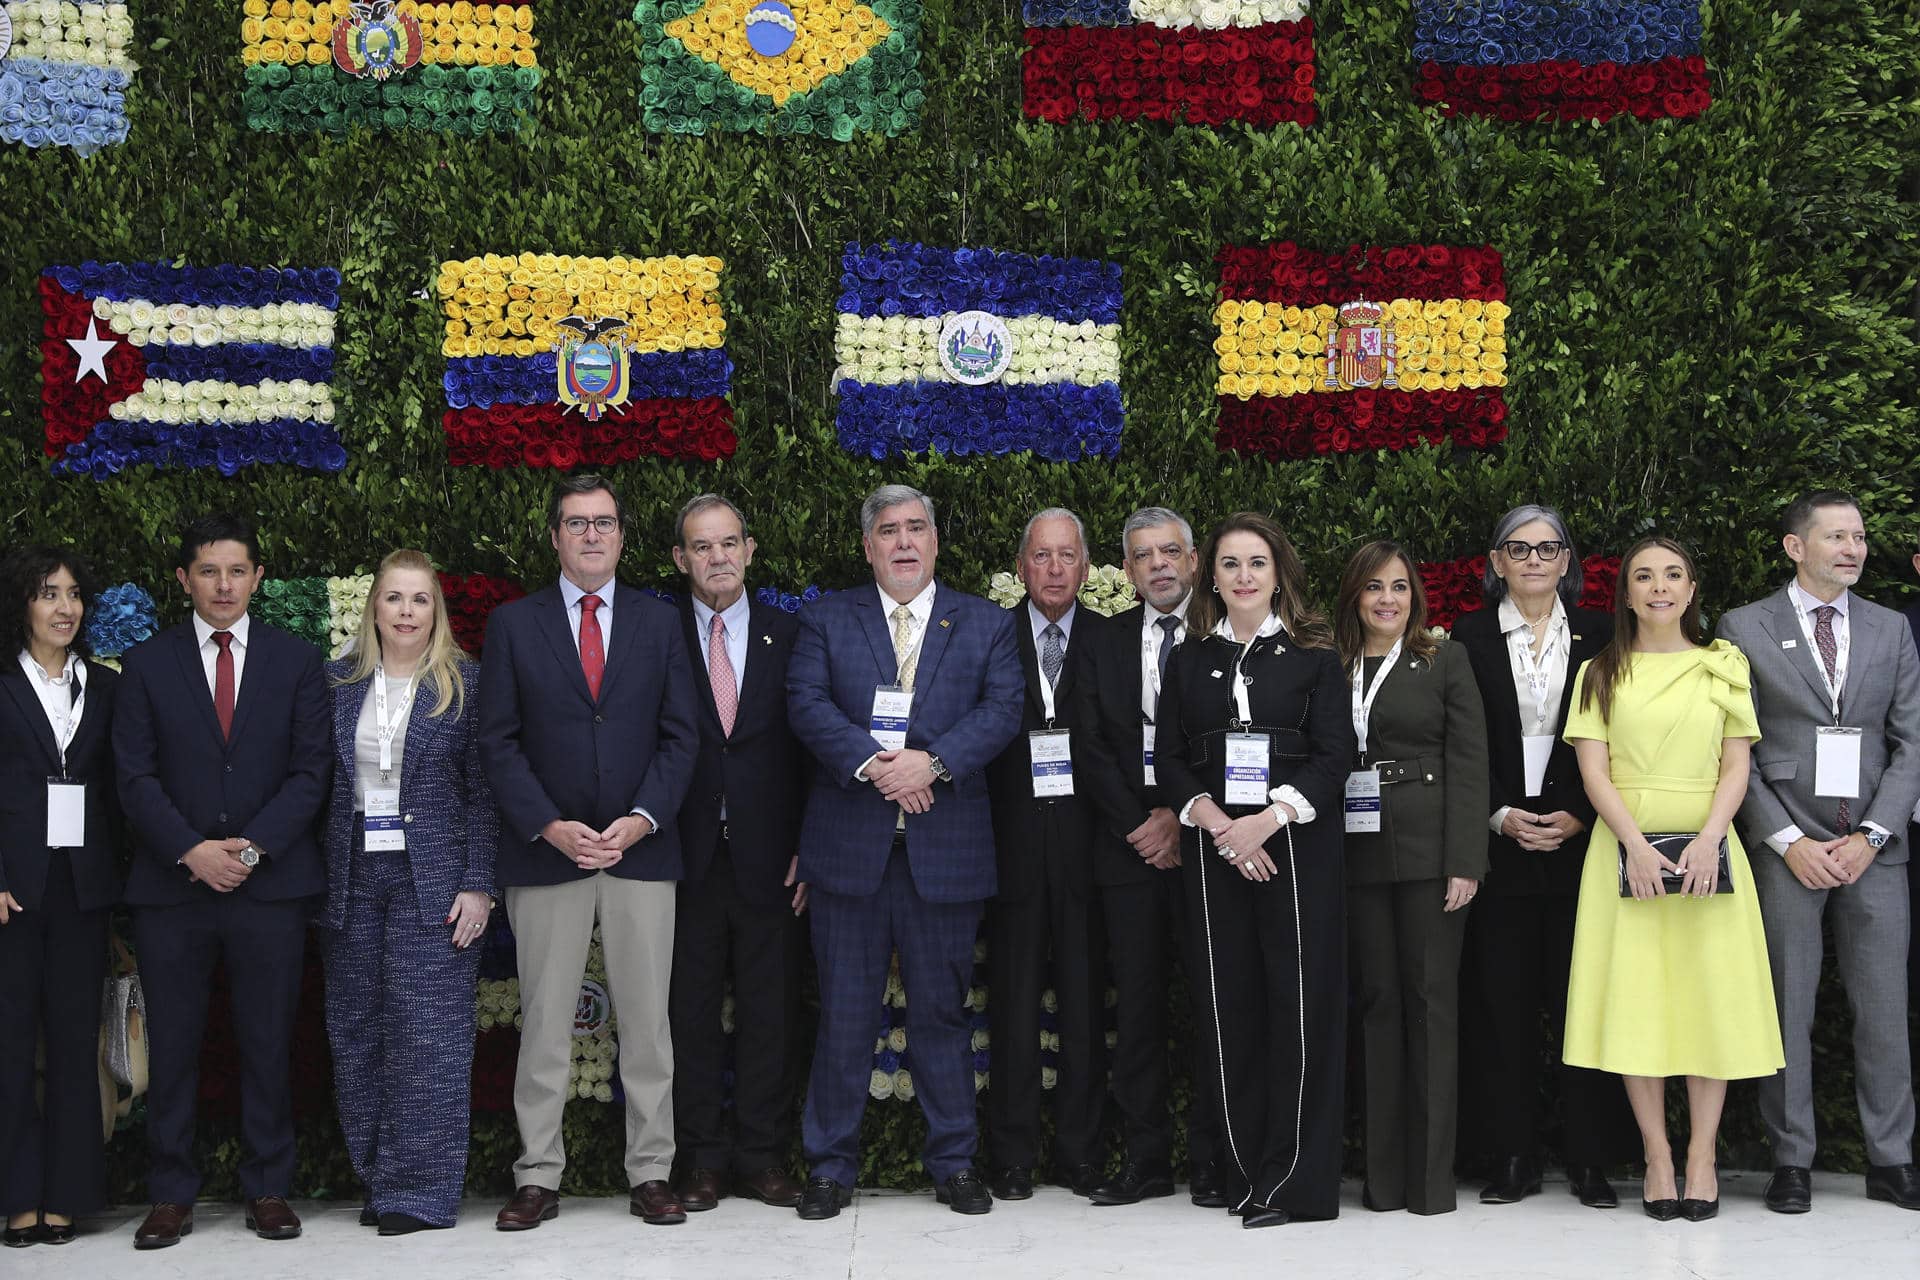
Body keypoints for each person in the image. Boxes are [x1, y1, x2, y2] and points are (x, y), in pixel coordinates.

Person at [786, 484, 1023, 1220]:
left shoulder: (985, 624)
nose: (903, 542)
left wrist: (934, 762)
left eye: (917, 527)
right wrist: (877, 765)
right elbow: (806, 702)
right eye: (887, 530)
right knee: (845, 1017)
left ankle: (953, 1162)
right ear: (868, 547)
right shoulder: (827, 619)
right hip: (849, 856)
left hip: (944, 855)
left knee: (943, 1017)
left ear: (935, 541)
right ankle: (829, 1167)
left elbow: (1004, 708)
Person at [478, 475, 700, 1230]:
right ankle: (537, 1175)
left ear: (624, 536)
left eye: (605, 522)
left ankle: (651, 1172)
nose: (593, 536)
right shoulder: (514, 624)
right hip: (549, 857)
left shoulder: (660, 621)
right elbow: (497, 740)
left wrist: (641, 819)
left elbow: (681, 736)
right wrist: (547, 823)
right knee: (543, 1026)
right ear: (554, 537)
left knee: (647, 1025)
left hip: (638, 854)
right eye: (577, 524)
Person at [116, 513, 331, 1250]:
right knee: (172, 1045)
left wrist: (251, 849)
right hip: (172, 890)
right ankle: (171, 1192)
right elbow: (134, 776)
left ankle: (269, 1186)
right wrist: (192, 850)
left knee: (268, 1041)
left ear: (258, 579)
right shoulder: (145, 664)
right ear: (184, 580)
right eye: (208, 571)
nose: (224, 584)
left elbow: (312, 773)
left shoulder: (299, 662)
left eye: (238, 571)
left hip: (268, 887)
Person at [1561, 535, 1783, 1222]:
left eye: (1674, 575)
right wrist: (1631, 844)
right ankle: (1657, 1154)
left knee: (1709, 1001)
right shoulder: (1599, 670)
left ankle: (1702, 1157)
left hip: (1710, 856)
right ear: (1625, 593)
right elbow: (1593, 771)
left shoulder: (1725, 666)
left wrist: (1714, 839)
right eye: (1645, 576)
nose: (1660, 587)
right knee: (1638, 1002)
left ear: (1691, 591)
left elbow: (1738, 763)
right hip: (1625, 856)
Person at [1718, 490, 1920, 1214]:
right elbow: (1731, 749)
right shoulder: (1742, 627)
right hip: (1787, 851)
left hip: (1875, 851)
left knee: (1883, 1011)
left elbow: (1912, 743)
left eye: (1860, 537)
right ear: (1794, 547)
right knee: (1786, 1008)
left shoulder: (1892, 628)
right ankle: (1790, 1160)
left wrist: (1872, 837)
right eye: (1836, 536)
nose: (1853, 549)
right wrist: (1788, 840)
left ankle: (1892, 1160)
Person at [1154, 512, 1354, 1228]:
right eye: (1231, 564)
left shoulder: (1314, 657)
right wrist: (1218, 827)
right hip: (1215, 855)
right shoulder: (1188, 658)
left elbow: (1337, 756)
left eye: (1257, 564)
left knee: (1298, 1014)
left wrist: (1264, 822)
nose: (1244, 576)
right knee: (1226, 1009)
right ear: (1212, 575)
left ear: (1279, 575)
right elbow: (1171, 759)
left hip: (1295, 849)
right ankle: (1242, 1176)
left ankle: (1294, 1185)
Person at [1451, 504, 1636, 1208]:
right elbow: (1461, 743)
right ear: (1496, 563)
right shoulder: (1467, 637)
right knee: (1502, 1009)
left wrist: (1585, 816)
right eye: (1518, 549)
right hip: (1500, 847)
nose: (1533, 560)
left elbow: (1626, 738)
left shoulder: (1603, 635)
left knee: (1584, 1004)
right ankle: (1513, 1157)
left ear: (1567, 562)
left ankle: (1591, 1160)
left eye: (1548, 548)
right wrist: (1500, 815)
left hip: (1581, 846)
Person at [318, 550, 496, 1235]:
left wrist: (478, 884)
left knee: (431, 1036)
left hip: (436, 880)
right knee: (357, 1030)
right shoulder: (336, 682)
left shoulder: (464, 684)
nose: (405, 612)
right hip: (352, 875)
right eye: (393, 598)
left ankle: (419, 1195)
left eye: (419, 600)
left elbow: (484, 796)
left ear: (437, 610)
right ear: (374, 607)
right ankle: (377, 1177)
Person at [1333, 540, 1489, 1216]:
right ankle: (1383, 1179)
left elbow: (1470, 761)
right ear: (1355, 597)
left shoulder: (1443, 657)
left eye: (1399, 586)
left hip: (1431, 852)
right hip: (1354, 851)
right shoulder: (1328, 664)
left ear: (1415, 596)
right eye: (1374, 587)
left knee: (1431, 1007)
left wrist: (1465, 860)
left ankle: (1429, 1184)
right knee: (1377, 1006)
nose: (1387, 599)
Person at [1074, 506, 1223, 1208]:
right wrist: (1141, 823)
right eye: (1143, 555)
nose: (1159, 565)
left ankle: (1218, 1158)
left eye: (1170, 551)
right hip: (1128, 848)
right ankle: (1146, 1159)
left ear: (1195, 561)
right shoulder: (1102, 640)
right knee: (1134, 1008)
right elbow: (1089, 745)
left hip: (1210, 841)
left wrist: (1182, 814)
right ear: (1127, 570)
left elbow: (1238, 738)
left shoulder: (1229, 631)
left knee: (1215, 1003)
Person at [666, 494, 807, 1213]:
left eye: (729, 544)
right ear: (680, 559)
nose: (717, 557)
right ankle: (700, 1162)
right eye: (702, 546)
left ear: (750, 550)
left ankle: (760, 1155)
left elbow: (815, 748)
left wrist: (809, 848)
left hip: (773, 859)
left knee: (769, 1011)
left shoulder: (793, 633)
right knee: (687, 1014)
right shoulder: (657, 634)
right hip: (681, 859)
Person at [985, 507, 1107, 1201]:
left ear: (1085, 567)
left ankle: (1082, 1155)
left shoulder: (1113, 640)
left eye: (1067, 556)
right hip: (1013, 855)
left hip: (1092, 853)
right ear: (1022, 565)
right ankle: (1012, 1156)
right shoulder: (990, 636)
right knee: (1012, 1008)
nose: (1055, 568)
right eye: (1042, 556)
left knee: (1088, 1009)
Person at [0, 548, 118, 1248]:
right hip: (13, 892)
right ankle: (17, 1197)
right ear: (22, 603)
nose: (64, 607)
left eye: (74, 594)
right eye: (49, 593)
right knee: (10, 1045)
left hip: (84, 888)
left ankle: (68, 1197)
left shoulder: (104, 686)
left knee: (77, 1045)